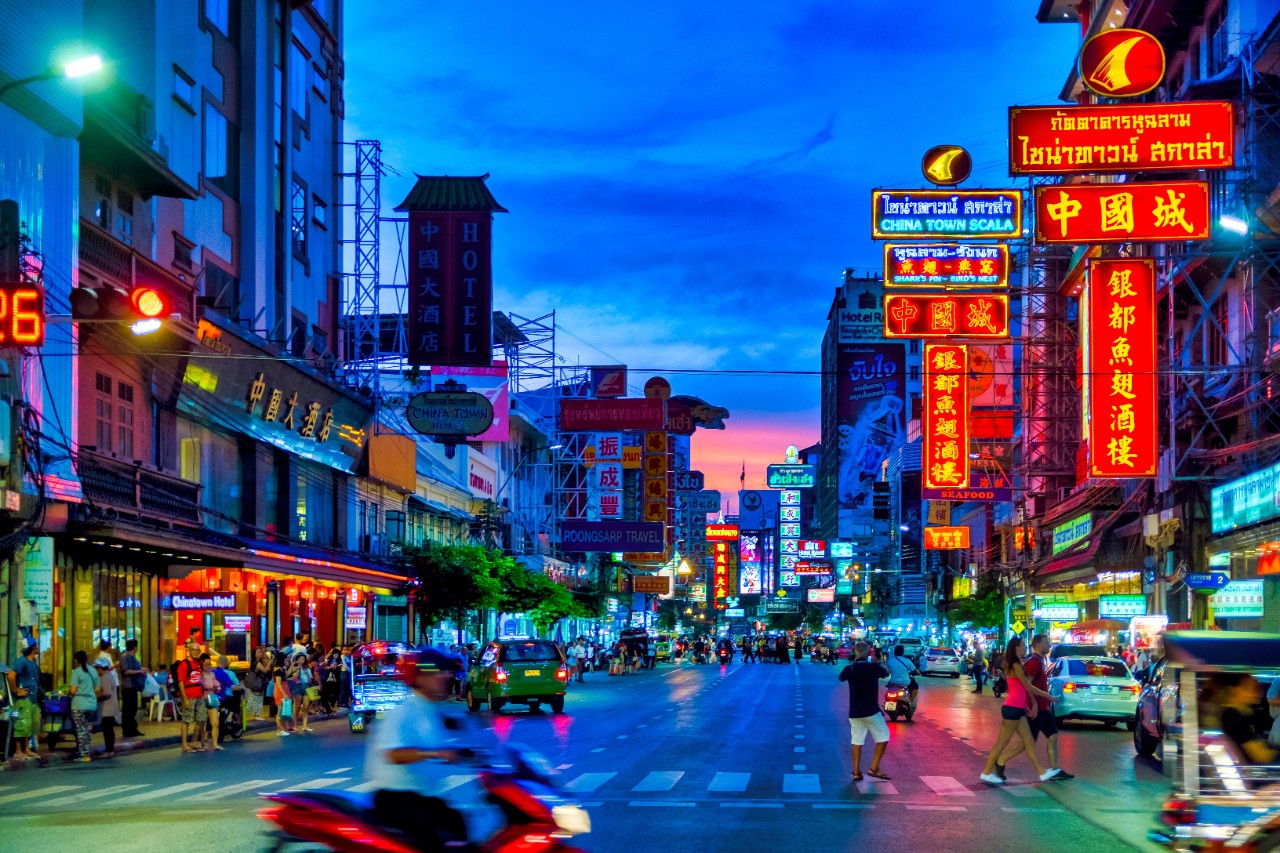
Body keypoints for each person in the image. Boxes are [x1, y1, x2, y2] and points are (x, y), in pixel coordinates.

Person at [365, 648, 500, 848]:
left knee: (458, 824)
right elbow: (393, 754)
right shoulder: (404, 712)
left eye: (446, 671)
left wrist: (476, 737)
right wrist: (435, 753)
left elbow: (452, 723)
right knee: (437, 836)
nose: (446, 676)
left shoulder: (430, 709)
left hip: (420, 796)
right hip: (397, 799)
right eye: (438, 672)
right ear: (420, 678)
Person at [979, 637, 1061, 785]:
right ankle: (986, 772)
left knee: (1028, 741)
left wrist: (1027, 705)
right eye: (1023, 645)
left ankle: (1041, 772)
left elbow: (1017, 689)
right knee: (1001, 743)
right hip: (1012, 709)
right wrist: (1049, 697)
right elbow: (1028, 686)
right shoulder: (1015, 665)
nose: (1026, 648)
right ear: (1016, 648)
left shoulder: (1014, 664)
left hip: (1017, 708)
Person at [996, 634, 1072, 781]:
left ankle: (1055, 770)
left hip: (1044, 708)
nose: (1049, 645)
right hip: (1036, 710)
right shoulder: (1034, 663)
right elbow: (1025, 686)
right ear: (1038, 645)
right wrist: (1032, 705)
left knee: (1053, 736)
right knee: (1027, 742)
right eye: (1046, 642)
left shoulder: (1040, 661)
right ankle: (1000, 760)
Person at [839, 642, 891, 782]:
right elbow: (886, 672)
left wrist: (853, 662)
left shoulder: (849, 669)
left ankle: (856, 771)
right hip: (871, 711)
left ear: (855, 652)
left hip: (855, 712)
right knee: (883, 737)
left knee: (857, 741)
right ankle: (873, 768)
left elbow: (841, 678)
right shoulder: (873, 668)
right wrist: (878, 662)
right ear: (868, 653)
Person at [1214, 674, 1279, 765]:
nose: (1259, 692)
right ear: (1235, 690)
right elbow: (1261, 756)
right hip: (1249, 773)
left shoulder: (1247, 714)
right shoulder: (1233, 716)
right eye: (1251, 687)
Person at [7, 639, 41, 759]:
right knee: (21, 723)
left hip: (32, 698)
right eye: (36, 645)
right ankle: (18, 750)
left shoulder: (32, 662)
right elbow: (11, 676)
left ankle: (26, 749)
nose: (38, 647)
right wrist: (16, 690)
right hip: (24, 698)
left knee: (30, 724)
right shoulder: (22, 662)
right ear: (32, 648)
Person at [175, 651, 207, 753]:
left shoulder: (198, 663)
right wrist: (185, 699)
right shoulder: (184, 664)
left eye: (198, 650)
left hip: (199, 695)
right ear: (189, 651)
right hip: (189, 696)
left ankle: (194, 741)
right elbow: (180, 682)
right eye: (194, 650)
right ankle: (184, 745)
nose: (196, 652)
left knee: (201, 718)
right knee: (186, 720)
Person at [68, 650, 97, 762]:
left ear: (76, 660)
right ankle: (87, 752)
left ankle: (83, 755)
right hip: (92, 704)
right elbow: (97, 689)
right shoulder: (94, 671)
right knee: (88, 730)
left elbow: (73, 690)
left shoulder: (76, 672)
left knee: (80, 730)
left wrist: (69, 694)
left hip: (79, 704)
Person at [92, 655, 119, 757]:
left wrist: (96, 697)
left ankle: (109, 750)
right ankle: (110, 749)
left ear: (100, 668)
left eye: (96, 668)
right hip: (110, 707)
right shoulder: (109, 675)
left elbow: (107, 693)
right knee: (108, 729)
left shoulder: (105, 677)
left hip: (107, 708)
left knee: (107, 729)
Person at [119, 638, 146, 738]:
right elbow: (126, 671)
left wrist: (142, 670)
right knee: (127, 709)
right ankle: (127, 730)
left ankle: (133, 728)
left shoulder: (133, 657)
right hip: (127, 686)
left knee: (133, 708)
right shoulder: (124, 657)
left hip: (134, 686)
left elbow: (136, 669)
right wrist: (139, 672)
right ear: (135, 647)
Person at [885, 644, 919, 710]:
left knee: (889, 687)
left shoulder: (890, 661)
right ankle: (910, 702)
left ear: (894, 652)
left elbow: (887, 671)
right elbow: (916, 671)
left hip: (893, 682)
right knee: (915, 686)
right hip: (905, 682)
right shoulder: (907, 661)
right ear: (903, 652)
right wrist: (917, 673)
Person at [275, 666, 294, 736]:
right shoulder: (278, 671)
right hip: (280, 693)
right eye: (286, 660)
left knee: (284, 712)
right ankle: (279, 730)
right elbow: (278, 683)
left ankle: (284, 729)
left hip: (284, 692)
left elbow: (288, 674)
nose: (287, 661)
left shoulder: (282, 670)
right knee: (280, 712)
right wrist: (284, 693)